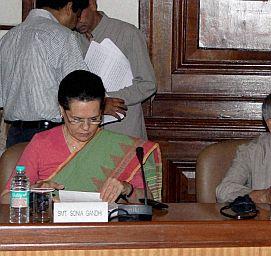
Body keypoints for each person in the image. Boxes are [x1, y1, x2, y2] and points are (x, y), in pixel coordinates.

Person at [1, 70, 162, 204]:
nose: (85, 128)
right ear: (62, 111)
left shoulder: (119, 147)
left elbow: (149, 201)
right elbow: (6, 198)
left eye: (94, 119)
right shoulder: (41, 143)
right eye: (76, 119)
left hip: (105, 233)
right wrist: (38, 194)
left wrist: (126, 188)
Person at [0, 0, 90, 148]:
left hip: (15, 134)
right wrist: (104, 103)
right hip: (50, 133)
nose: (76, 22)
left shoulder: (9, 37)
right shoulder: (63, 36)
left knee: (20, 171)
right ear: (69, 7)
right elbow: (80, 90)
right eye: (77, 14)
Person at [75, 0, 157, 139]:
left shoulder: (127, 33)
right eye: (73, 14)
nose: (77, 21)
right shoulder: (71, 38)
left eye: (80, 14)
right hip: (85, 132)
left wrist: (106, 100)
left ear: (92, 5)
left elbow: (147, 84)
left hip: (124, 127)